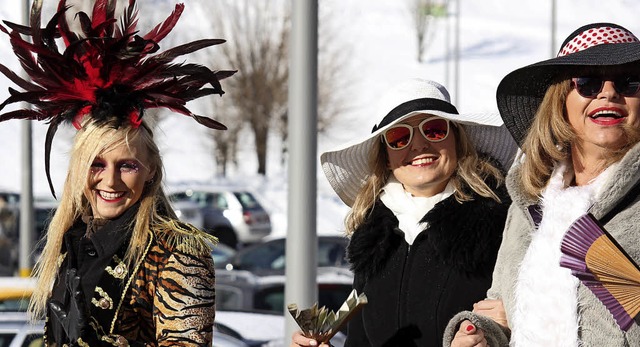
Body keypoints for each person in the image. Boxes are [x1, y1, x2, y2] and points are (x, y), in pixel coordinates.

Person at [0, 0, 235, 346]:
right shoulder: (71, 242)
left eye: (127, 165)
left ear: (150, 171)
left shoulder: (178, 251)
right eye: (97, 164)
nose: (109, 181)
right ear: (79, 169)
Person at [445, 22, 640, 347]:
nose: (609, 92)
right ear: (560, 102)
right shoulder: (527, 206)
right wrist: (481, 334)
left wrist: (600, 262)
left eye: (630, 81)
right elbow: (501, 309)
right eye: (587, 82)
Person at [290, 78, 518, 347]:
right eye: (399, 137)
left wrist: (513, 321)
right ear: (386, 155)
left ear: (457, 139)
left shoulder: (504, 223)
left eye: (433, 129)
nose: (419, 145)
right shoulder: (373, 241)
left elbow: (553, 318)